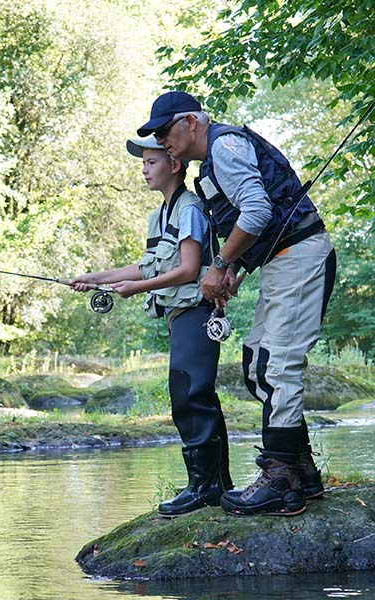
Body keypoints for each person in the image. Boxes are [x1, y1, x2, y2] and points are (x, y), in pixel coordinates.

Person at [137, 90, 337, 516]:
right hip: (281, 261)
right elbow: (257, 223)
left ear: (190, 122)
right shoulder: (213, 159)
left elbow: (257, 211)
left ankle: (281, 476)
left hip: (300, 256)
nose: (162, 141)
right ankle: (302, 471)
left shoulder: (224, 146)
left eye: (165, 131)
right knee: (254, 363)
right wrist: (233, 270)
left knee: (275, 364)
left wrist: (221, 262)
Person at [71, 136, 233, 517]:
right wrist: (95, 278)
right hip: (180, 317)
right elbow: (146, 266)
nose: (144, 169)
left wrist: (136, 289)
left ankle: (205, 486)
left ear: (174, 165)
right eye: (143, 163)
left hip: (197, 312)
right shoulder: (159, 215)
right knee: (194, 393)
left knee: (190, 394)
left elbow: (190, 269)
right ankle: (213, 484)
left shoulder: (190, 209)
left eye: (151, 162)